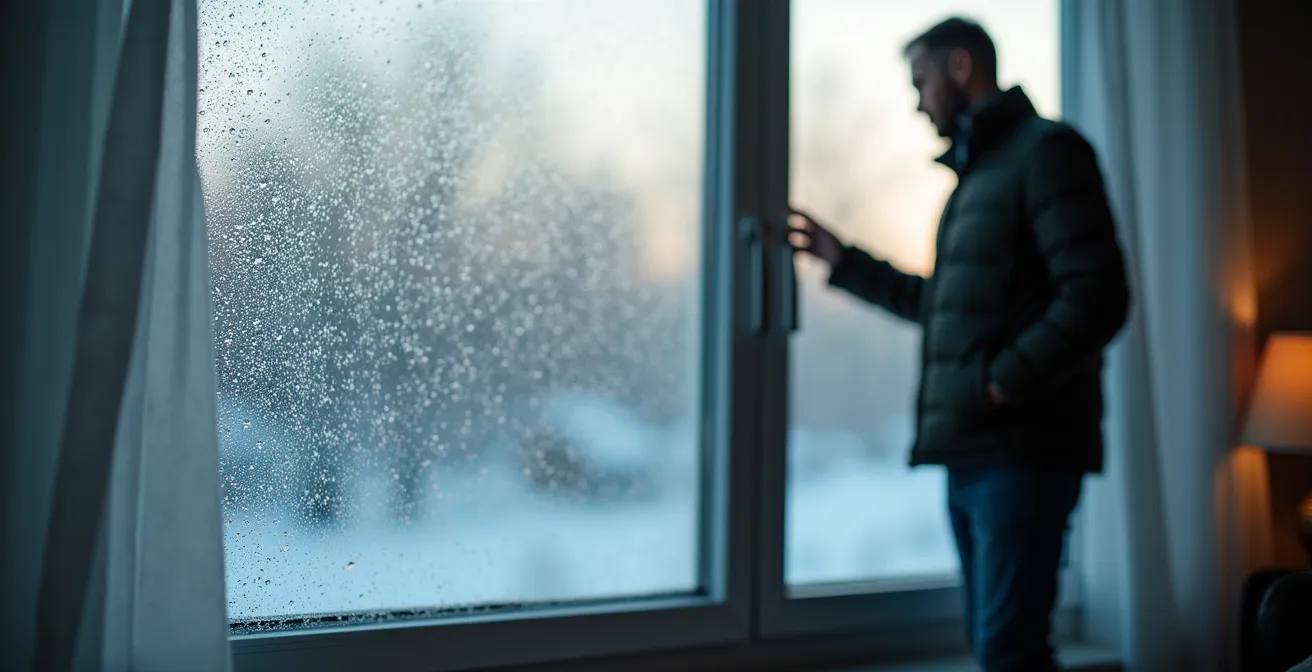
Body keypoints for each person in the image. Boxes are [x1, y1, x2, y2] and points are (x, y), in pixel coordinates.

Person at [789, 17, 1130, 672]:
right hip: (974, 451)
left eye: (921, 81)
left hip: (1022, 453)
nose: (917, 102)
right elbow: (945, 310)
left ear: (961, 67)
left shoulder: (1049, 153)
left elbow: (1098, 297)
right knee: (999, 649)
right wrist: (846, 261)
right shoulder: (977, 180)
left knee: (1009, 653)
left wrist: (1002, 382)